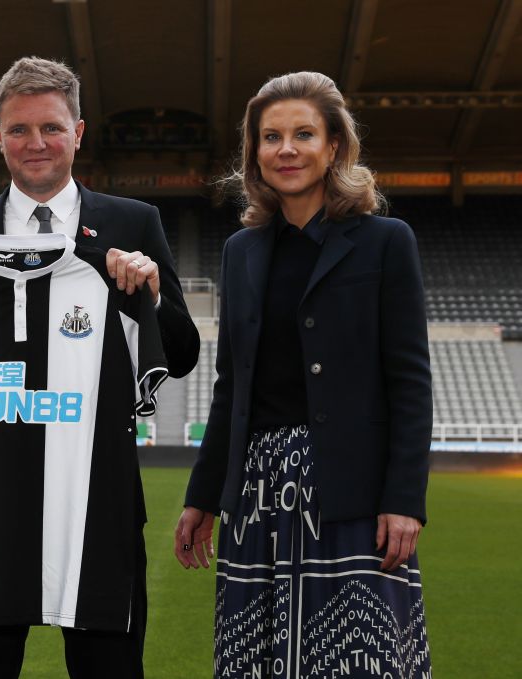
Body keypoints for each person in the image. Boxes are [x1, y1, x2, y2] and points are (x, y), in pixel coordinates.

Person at [0, 56, 199, 679]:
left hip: (95, 510)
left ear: (78, 132)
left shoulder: (133, 222)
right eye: (19, 129)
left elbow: (183, 352)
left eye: (51, 128)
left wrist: (152, 295)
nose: (36, 144)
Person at [174, 71, 432, 677]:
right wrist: (204, 496)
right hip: (259, 491)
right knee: (256, 660)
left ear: (335, 145)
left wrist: (404, 500)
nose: (285, 149)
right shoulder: (242, 252)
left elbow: (411, 381)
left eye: (303, 134)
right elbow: (231, 386)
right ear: (254, 153)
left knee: (357, 657)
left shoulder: (386, 241)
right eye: (270, 137)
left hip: (353, 492)